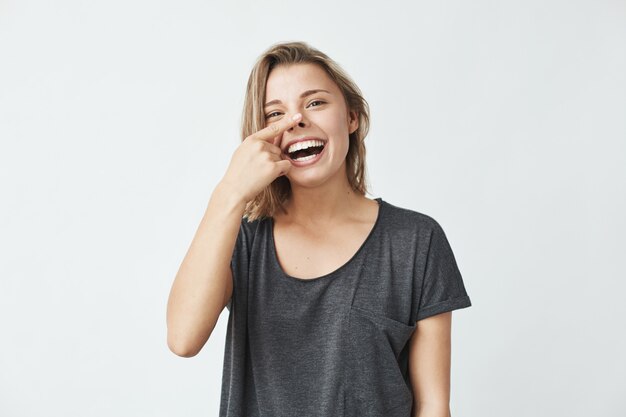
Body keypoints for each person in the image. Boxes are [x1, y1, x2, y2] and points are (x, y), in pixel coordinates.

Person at [166, 41, 472, 417]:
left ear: (352, 117)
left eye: (315, 103)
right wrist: (229, 192)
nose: (296, 120)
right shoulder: (242, 236)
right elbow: (182, 338)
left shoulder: (415, 241)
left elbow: (432, 405)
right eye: (274, 113)